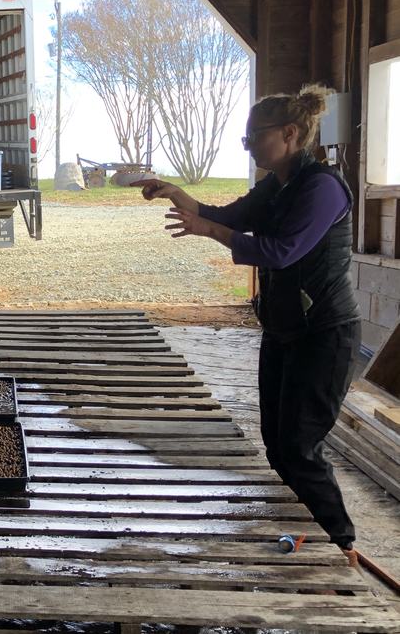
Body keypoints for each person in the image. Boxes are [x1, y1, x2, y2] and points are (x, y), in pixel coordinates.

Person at [135, 84, 360, 563]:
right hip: (284, 331)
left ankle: (342, 545)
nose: (249, 146)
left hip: (324, 334)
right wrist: (178, 194)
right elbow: (226, 215)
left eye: (253, 137)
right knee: (278, 447)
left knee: (299, 447)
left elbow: (281, 251)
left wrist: (210, 231)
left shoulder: (320, 187)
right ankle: (312, 542)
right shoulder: (277, 185)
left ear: (290, 133)